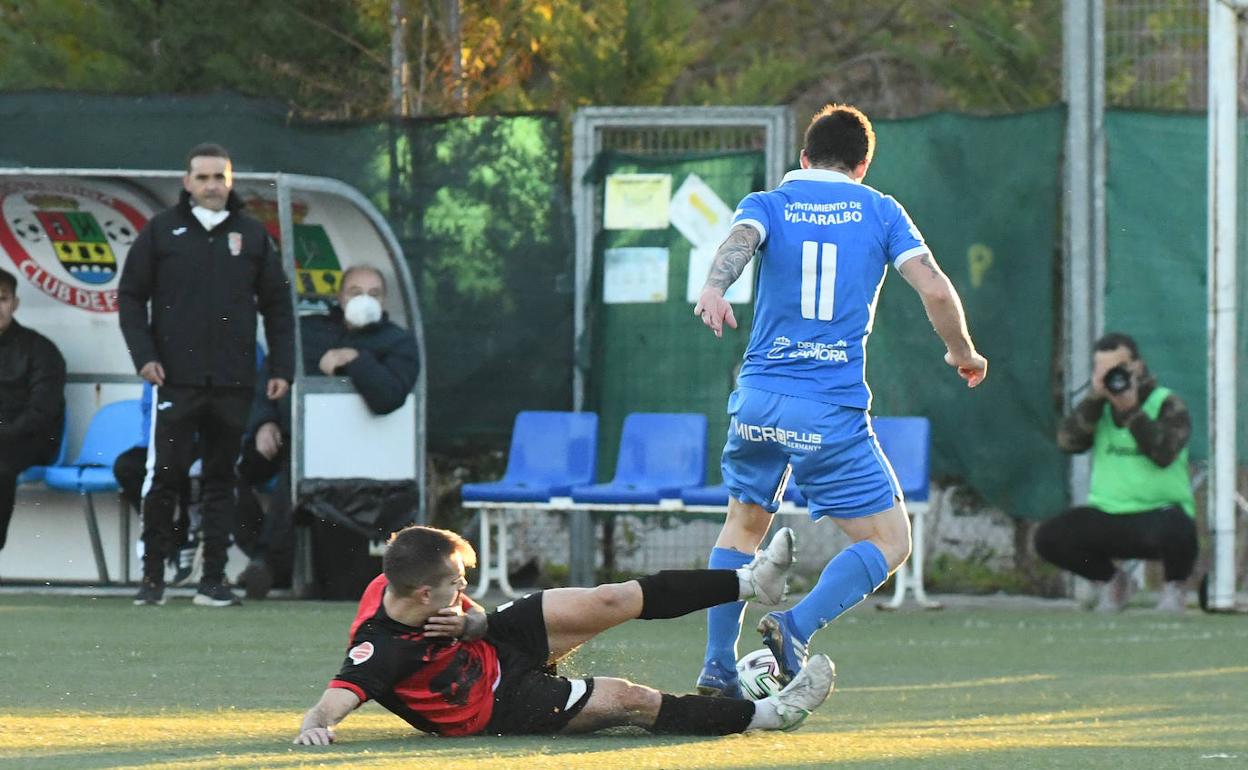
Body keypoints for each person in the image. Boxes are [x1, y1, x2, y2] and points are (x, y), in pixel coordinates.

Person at [691, 104, 988, 694]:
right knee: (890, 542)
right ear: (863, 165)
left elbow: (740, 241)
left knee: (742, 528)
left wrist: (714, 285)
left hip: (755, 400)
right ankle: (793, 628)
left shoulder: (770, 201)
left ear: (803, 158)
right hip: (825, 408)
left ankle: (717, 666)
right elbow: (933, 285)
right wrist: (963, 352)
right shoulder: (880, 209)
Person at [293, 524, 835, 743]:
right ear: (422, 598)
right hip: (501, 706)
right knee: (630, 699)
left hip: (492, 645)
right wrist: (317, 726)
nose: (464, 587)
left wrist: (474, 622)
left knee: (611, 598)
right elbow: (331, 703)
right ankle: (769, 715)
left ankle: (750, 581)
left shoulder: (404, 582)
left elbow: (469, 614)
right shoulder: (379, 649)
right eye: (457, 583)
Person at [118, 142, 295, 607]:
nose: (213, 186)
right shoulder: (161, 232)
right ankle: (152, 578)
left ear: (231, 180)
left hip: (234, 380)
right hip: (175, 378)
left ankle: (212, 581)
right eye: (204, 177)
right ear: (187, 182)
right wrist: (144, 355)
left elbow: (278, 307)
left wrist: (281, 367)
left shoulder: (252, 236)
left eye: (220, 177)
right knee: (165, 477)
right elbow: (131, 298)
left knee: (222, 478)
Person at [235, 264, 420, 598]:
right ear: (339, 296)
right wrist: (265, 421)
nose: (365, 300)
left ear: (385, 300)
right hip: (287, 438)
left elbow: (388, 396)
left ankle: (267, 562)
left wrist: (355, 359)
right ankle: (265, 558)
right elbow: (272, 377)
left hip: (356, 457)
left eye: (374, 294)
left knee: (297, 473)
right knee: (232, 470)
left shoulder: (399, 343)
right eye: (355, 292)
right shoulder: (308, 332)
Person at [1033, 332, 1196, 613]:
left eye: (1119, 368)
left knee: (1180, 529)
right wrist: (1095, 399)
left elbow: (1163, 454)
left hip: (1158, 514)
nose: (1113, 376)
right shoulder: (1098, 410)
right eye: (1104, 370)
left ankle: (1174, 589)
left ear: (1138, 367)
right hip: (1109, 515)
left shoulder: (1167, 403)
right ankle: (1113, 581)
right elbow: (1068, 442)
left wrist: (1132, 410)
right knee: (1050, 537)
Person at [0, 267, 66, 557]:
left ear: (14, 303)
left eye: (1, 299)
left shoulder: (41, 349)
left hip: (29, 441)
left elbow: (43, 412)